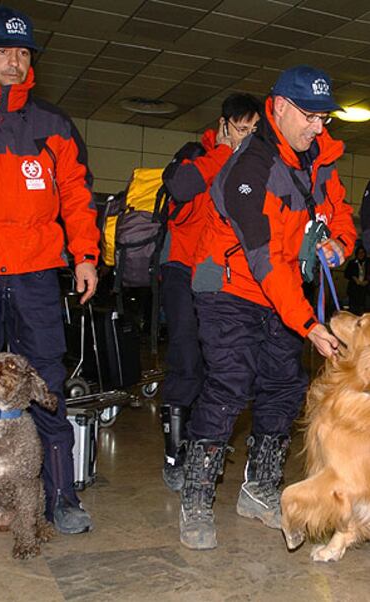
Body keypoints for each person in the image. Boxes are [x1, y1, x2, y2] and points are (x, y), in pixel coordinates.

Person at [175, 65, 356, 550]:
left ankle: (259, 489)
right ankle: (195, 498)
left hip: (284, 291)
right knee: (229, 383)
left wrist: (339, 242)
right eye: (310, 116)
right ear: (277, 108)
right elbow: (264, 260)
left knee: (284, 385)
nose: (319, 128)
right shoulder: (248, 170)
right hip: (228, 285)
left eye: (325, 118)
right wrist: (308, 323)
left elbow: (340, 213)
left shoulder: (322, 162)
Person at [0, 6, 99, 535]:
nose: (14, 61)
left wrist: (85, 255)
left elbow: (79, 198)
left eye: (22, 53)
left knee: (46, 381)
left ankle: (60, 496)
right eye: (2, 51)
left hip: (37, 272)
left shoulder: (53, 125)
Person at [160, 94, 262, 492]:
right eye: (241, 129)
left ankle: (204, 446)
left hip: (222, 275)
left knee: (220, 365)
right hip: (183, 268)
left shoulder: (256, 166)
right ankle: (174, 454)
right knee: (186, 359)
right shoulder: (195, 154)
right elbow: (181, 187)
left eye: (255, 132)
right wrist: (223, 152)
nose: (246, 139)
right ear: (223, 125)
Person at [345, 245, 370, 315]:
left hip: (365, 289)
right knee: (353, 309)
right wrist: (354, 278)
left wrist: (367, 281)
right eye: (359, 253)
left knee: (364, 309)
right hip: (354, 289)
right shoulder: (352, 263)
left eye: (362, 252)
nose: (361, 254)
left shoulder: (368, 262)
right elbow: (346, 274)